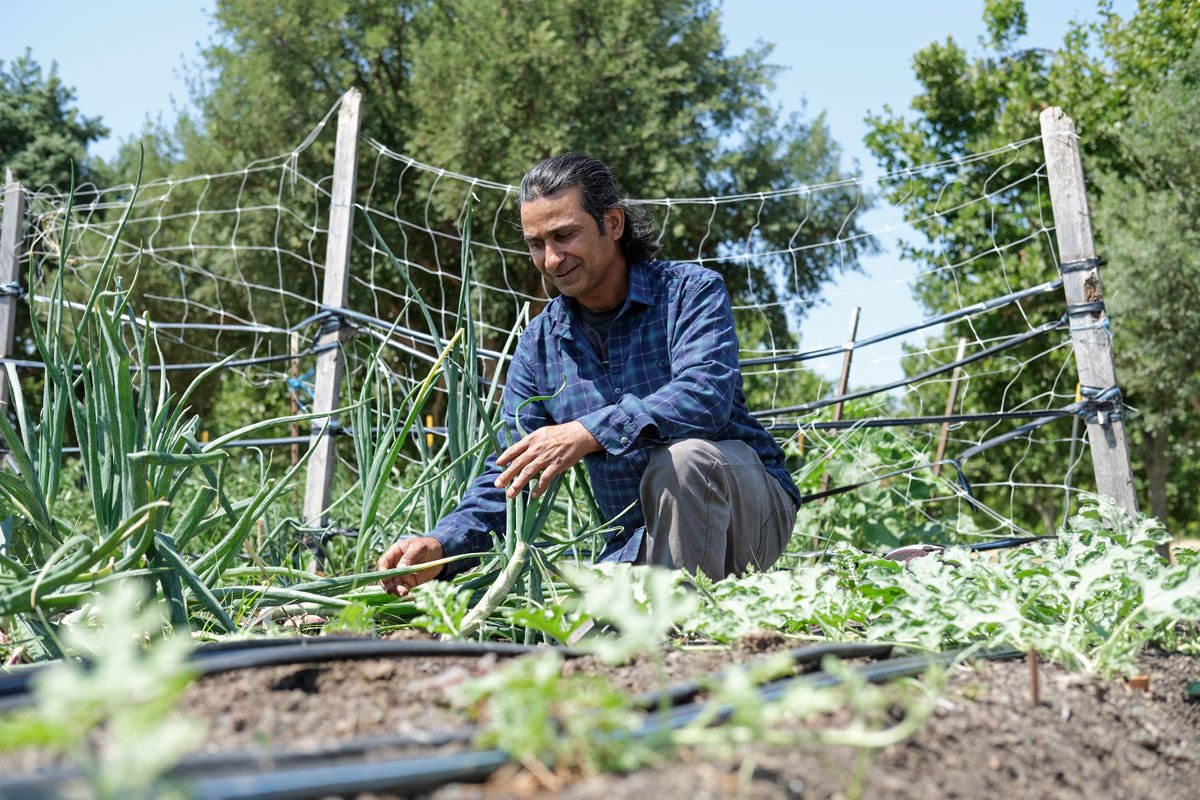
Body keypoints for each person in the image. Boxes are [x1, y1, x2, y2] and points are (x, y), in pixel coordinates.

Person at [379, 153, 800, 597]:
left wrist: (585, 432)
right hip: (635, 544)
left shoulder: (689, 293)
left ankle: (679, 632)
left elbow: (704, 397)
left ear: (613, 223)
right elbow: (513, 468)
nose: (552, 259)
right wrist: (442, 545)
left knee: (683, 460)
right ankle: (660, 623)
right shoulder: (540, 343)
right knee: (578, 645)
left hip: (746, 510)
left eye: (564, 235)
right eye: (536, 243)